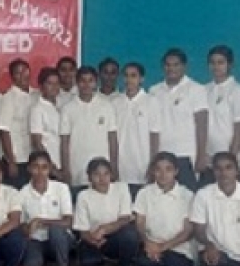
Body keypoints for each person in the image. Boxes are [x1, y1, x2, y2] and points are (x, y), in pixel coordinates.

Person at [134, 152, 195, 266]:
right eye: (158, 169)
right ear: (153, 171)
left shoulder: (187, 195)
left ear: (176, 171)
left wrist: (162, 247)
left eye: (168, 169)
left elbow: (187, 232)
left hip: (177, 249)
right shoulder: (144, 193)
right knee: (141, 265)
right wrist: (147, 243)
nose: (163, 174)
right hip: (150, 246)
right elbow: (140, 224)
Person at [73, 158, 138, 266]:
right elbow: (82, 231)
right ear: (89, 177)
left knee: (130, 235)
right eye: (96, 174)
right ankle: (100, 260)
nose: (102, 179)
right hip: (92, 238)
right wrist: (93, 240)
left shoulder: (121, 188)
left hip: (116, 235)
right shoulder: (83, 196)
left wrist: (105, 229)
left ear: (111, 175)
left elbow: (125, 218)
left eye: (106, 174)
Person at [150, 48, 209, 191]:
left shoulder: (196, 89)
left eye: (176, 65)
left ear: (184, 66)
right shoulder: (154, 91)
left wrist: (201, 155)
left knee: (187, 198)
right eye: (168, 65)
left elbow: (202, 124)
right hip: (162, 156)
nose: (171, 68)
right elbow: (152, 127)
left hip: (186, 155)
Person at [60, 66, 118, 198]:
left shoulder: (106, 106)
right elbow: (64, 142)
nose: (86, 84)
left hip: (102, 171)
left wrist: (114, 167)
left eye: (90, 80)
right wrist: (66, 170)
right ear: (77, 83)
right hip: (77, 170)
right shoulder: (68, 109)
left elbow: (112, 139)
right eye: (83, 80)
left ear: (96, 83)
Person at [19, 151, 73, 266]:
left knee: (56, 230)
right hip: (36, 240)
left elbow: (68, 221)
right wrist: (28, 228)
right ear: (29, 168)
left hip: (61, 239)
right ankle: (42, 263)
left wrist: (41, 221)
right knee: (32, 265)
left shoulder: (61, 188)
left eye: (44, 167)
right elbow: (22, 223)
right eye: (35, 167)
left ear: (50, 168)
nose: (40, 172)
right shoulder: (23, 193)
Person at [112, 62, 161, 199]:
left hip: (143, 167)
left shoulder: (151, 102)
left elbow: (154, 136)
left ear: (142, 79)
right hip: (121, 168)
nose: (129, 80)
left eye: (133, 76)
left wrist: (153, 165)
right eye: (126, 76)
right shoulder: (115, 102)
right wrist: (113, 166)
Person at [203, 46, 240, 188]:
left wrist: (230, 161)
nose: (216, 66)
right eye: (212, 62)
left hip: (227, 162)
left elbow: (239, 130)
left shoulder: (238, 91)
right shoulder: (204, 90)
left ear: (230, 64)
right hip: (208, 160)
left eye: (220, 62)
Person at [0, 58, 34, 188]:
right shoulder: (9, 98)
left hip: (33, 157)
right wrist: (11, 161)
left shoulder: (36, 94)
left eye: (25, 71)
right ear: (12, 76)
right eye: (18, 73)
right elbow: (4, 131)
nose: (23, 75)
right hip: (18, 159)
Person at [28, 67, 64, 179]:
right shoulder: (37, 109)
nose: (54, 87)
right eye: (50, 83)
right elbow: (37, 142)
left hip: (65, 164)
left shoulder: (63, 105)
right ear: (41, 86)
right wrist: (51, 167)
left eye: (57, 83)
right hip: (49, 168)